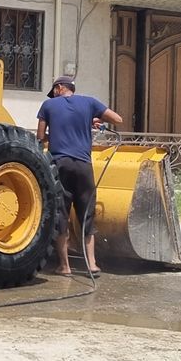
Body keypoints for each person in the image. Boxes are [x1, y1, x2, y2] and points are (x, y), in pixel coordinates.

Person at [36, 76, 122, 276]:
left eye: (54, 91)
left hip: (59, 165)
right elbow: (117, 119)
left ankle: (64, 266)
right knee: (87, 215)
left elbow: (40, 137)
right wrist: (95, 120)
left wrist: (55, 134)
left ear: (59, 88)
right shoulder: (89, 102)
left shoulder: (48, 105)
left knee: (61, 215)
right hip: (83, 165)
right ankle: (91, 265)